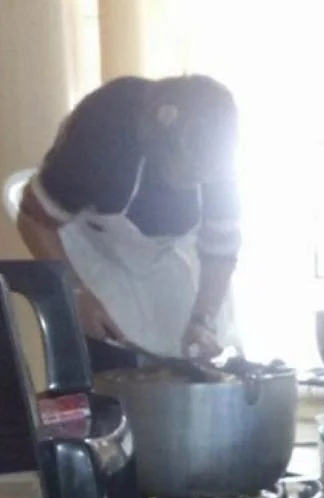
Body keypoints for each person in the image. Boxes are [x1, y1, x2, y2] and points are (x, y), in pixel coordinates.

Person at [16, 73, 243, 372]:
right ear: (160, 146)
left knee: (197, 357)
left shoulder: (217, 160)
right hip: (89, 250)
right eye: (189, 173)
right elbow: (34, 219)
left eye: (204, 176)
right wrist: (75, 292)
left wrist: (203, 320)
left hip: (169, 258)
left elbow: (220, 251)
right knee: (110, 362)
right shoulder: (101, 135)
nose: (195, 183)